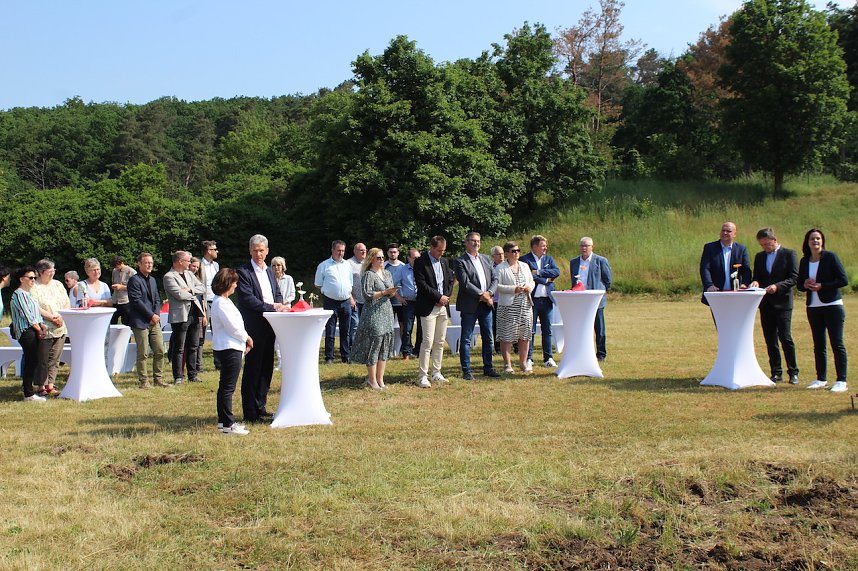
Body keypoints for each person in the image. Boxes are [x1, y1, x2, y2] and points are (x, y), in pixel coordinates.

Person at [236, 234, 287, 423]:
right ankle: (250, 412)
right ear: (250, 251)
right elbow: (248, 299)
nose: (259, 253)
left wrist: (280, 305)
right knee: (253, 368)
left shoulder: (269, 271)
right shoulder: (243, 271)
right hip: (254, 325)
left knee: (266, 367)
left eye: (262, 250)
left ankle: (261, 406)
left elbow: (277, 293)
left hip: (271, 324)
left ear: (267, 251)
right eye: (255, 250)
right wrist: (272, 307)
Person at [796, 228, 849, 393]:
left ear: (822, 241)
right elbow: (799, 285)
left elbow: (843, 280)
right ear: (807, 242)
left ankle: (841, 380)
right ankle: (821, 379)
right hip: (813, 307)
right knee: (819, 344)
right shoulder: (804, 261)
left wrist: (822, 286)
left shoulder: (830, 257)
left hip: (832, 305)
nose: (815, 241)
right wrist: (805, 285)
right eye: (812, 239)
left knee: (837, 343)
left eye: (818, 238)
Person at [749, 228, 800, 384]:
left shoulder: (789, 254)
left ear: (774, 239)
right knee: (770, 339)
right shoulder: (759, 257)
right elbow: (757, 276)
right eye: (762, 245)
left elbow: (794, 277)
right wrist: (756, 282)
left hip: (783, 302)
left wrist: (777, 287)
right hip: (766, 303)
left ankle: (793, 372)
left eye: (767, 244)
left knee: (785, 337)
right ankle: (776, 372)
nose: (765, 247)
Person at [211, 268, 253, 435]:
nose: (236, 285)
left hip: (230, 346)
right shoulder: (221, 303)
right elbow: (232, 327)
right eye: (234, 282)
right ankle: (228, 424)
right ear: (227, 283)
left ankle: (224, 422)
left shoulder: (223, 301)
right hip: (229, 347)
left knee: (226, 387)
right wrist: (247, 338)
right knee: (228, 387)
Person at [454, 231, 500, 380]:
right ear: (466, 243)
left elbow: (495, 279)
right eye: (473, 241)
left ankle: (488, 368)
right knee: (466, 338)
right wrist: (483, 295)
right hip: (470, 305)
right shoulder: (460, 261)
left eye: (478, 241)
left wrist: (490, 293)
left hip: (486, 305)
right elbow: (465, 283)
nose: (476, 243)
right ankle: (466, 370)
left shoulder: (486, 259)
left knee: (488, 338)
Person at [351, 248, 397, 390]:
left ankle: (380, 380)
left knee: (384, 344)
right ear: (371, 259)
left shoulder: (387, 273)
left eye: (383, 257)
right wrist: (384, 292)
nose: (382, 260)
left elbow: (390, 292)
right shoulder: (368, 275)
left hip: (386, 311)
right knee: (374, 344)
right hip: (373, 312)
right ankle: (372, 380)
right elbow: (367, 295)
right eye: (379, 258)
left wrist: (391, 292)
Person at [414, 235, 455, 388]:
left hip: (443, 307)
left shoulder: (444, 261)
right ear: (431, 247)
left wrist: (446, 297)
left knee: (439, 341)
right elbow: (421, 284)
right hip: (428, 306)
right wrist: (438, 297)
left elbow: (449, 281)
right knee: (427, 341)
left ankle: (436, 372)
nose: (441, 253)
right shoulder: (420, 261)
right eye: (439, 250)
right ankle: (422, 375)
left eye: (443, 251)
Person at [163, 250, 206, 384]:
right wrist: (192, 293)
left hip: (194, 313)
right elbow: (178, 295)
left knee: (193, 345)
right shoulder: (169, 276)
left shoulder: (189, 274)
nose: (189, 263)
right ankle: (178, 376)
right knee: (179, 347)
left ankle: (192, 375)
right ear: (180, 261)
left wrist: (190, 290)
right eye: (188, 261)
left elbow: (202, 288)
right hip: (180, 315)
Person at [127, 252, 168, 388]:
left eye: (151, 262)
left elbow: (156, 298)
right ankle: (144, 381)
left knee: (160, 350)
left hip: (154, 321)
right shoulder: (134, 280)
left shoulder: (152, 280)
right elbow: (136, 301)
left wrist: (155, 315)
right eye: (146, 262)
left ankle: (158, 379)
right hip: (140, 321)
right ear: (139, 264)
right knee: (143, 352)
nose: (150, 265)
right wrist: (150, 315)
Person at [569, 237, 613, 361]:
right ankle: (582, 353)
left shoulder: (600, 261)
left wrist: (601, 293)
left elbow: (608, 280)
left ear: (592, 247)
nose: (584, 248)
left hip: (595, 300)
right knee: (581, 328)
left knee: (599, 329)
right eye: (582, 245)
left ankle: (601, 354)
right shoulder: (574, 262)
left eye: (586, 246)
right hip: (579, 300)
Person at [520, 235, 560, 368]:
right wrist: (546, 279)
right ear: (535, 246)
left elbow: (556, 271)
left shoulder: (549, 259)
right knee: (529, 330)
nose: (545, 248)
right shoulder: (524, 260)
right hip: (532, 301)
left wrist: (539, 272)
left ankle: (548, 358)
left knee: (547, 330)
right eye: (543, 246)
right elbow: (529, 276)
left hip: (547, 300)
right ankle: (529, 357)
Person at [495, 242, 534, 374]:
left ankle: (523, 363)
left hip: (525, 305)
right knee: (507, 336)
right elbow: (497, 286)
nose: (516, 253)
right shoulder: (500, 268)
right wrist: (514, 289)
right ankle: (507, 364)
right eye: (513, 251)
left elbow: (532, 281)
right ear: (506, 253)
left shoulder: (524, 265)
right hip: (508, 306)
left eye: (518, 250)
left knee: (525, 335)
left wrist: (529, 287)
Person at [32, 259, 69, 396]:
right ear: (41, 272)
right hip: (45, 327)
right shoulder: (34, 287)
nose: (53, 273)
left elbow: (66, 301)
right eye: (50, 271)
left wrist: (61, 317)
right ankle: (41, 385)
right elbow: (36, 307)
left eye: (54, 270)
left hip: (60, 326)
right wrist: (52, 318)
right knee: (43, 358)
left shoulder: (58, 284)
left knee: (55, 358)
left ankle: (51, 385)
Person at [314, 240, 355, 364]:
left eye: (343, 250)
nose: (341, 253)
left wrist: (350, 296)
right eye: (338, 250)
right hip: (330, 302)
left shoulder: (347, 265)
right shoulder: (324, 265)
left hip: (346, 301)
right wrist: (329, 291)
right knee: (330, 331)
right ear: (332, 250)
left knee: (345, 330)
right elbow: (318, 284)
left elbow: (350, 282)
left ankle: (345, 356)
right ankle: (329, 357)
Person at [10, 267, 47, 401]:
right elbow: (28, 316)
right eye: (30, 278)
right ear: (21, 279)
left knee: (34, 360)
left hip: (34, 329)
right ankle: (28, 393)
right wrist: (38, 329)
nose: (33, 280)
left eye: (34, 278)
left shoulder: (29, 294)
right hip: (27, 331)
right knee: (31, 360)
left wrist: (41, 325)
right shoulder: (18, 294)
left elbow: (36, 313)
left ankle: (28, 390)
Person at [700, 221, 751, 303]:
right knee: (718, 316)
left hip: (735, 293)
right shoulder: (710, 248)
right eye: (723, 230)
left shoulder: (741, 249)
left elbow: (746, 269)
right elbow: (705, 268)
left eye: (728, 231)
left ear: (735, 234)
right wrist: (709, 285)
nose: (725, 233)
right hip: (716, 292)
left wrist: (745, 284)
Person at [395, 247, 421, 360]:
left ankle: (419, 350)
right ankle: (406, 352)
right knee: (407, 328)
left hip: (421, 302)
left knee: (422, 328)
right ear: (408, 258)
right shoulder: (402, 270)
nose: (416, 260)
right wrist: (399, 297)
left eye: (418, 258)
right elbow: (392, 284)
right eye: (414, 258)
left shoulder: (423, 268)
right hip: (408, 303)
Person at [271, 255, 296, 370]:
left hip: (286, 309)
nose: (276, 268)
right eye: (274, 265)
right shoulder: (269, 278)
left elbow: (292, 295)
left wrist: (283, 302)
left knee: (287, 335)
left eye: (279, 265)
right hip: (274, 310)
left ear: (283, 266)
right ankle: (280, 361)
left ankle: (289, 360)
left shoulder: (289, 279)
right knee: (276, 337)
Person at [201, 240, 221, 370]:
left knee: (218, 331)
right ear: (209, 251)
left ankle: (218, 363)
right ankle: (198, 365)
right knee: (200, 333)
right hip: (204, 301)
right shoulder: (199, 265)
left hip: (216, 301)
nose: (217, 251)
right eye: (214, 249)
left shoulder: (216, 266)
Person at [385, 243, 407, 352]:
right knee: (388, 327)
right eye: (391, 252)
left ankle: (404, 349)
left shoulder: (403, 266)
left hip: (401, 301)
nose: (393, 254)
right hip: (387, 302)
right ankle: (388, 349)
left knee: (403, 325)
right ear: (387, 253)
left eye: (395, 252)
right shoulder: (384, 266)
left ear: (398, 253)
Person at [347, 243, 368, 348]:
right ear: (355, 251)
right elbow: (345, 283)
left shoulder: (368, 263)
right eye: (361, 250)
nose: (364, 252)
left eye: (365, 250)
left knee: (366, 326)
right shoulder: (348, 264)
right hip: (355, 301)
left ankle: (364, 348)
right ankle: (354, 350)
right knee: (355, 326)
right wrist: (351, 298)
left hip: (367, 301)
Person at [110, 255, 136, 325]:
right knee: (112, 322)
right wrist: (114, 287)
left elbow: (135, 288)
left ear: (121, 263)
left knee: (126, 323)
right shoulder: (114, 271)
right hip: (115, 301)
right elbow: (113, 281)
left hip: (126, 301)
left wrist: (122, 287)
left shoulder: (131, 272)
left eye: (117, 266)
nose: (116, 268)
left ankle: (127, 336)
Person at [490, 245, 504, 353]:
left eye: (502, 253)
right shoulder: (490, 268)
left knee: (511, 324)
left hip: (507, 300)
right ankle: (498, 347)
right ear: (493, 256)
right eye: (498, 254)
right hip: (495, 301)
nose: (501, 256)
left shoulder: (507, 267)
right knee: (496, 325)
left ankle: (516, 347)